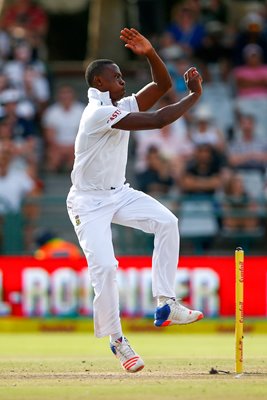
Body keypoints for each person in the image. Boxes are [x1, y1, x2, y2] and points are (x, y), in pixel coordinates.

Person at [66, 28, 203, 374]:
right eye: (117, 77)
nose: (123, 82)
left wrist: (150, 51)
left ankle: (166, 302)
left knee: (167, 222)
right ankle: (116, 339)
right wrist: (195, 97)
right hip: (87, 203)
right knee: (107, 269)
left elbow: (160, 88)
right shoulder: (97, 114)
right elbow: (158, 120)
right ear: (99, 81)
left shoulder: (115, 105)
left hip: (119, 192)